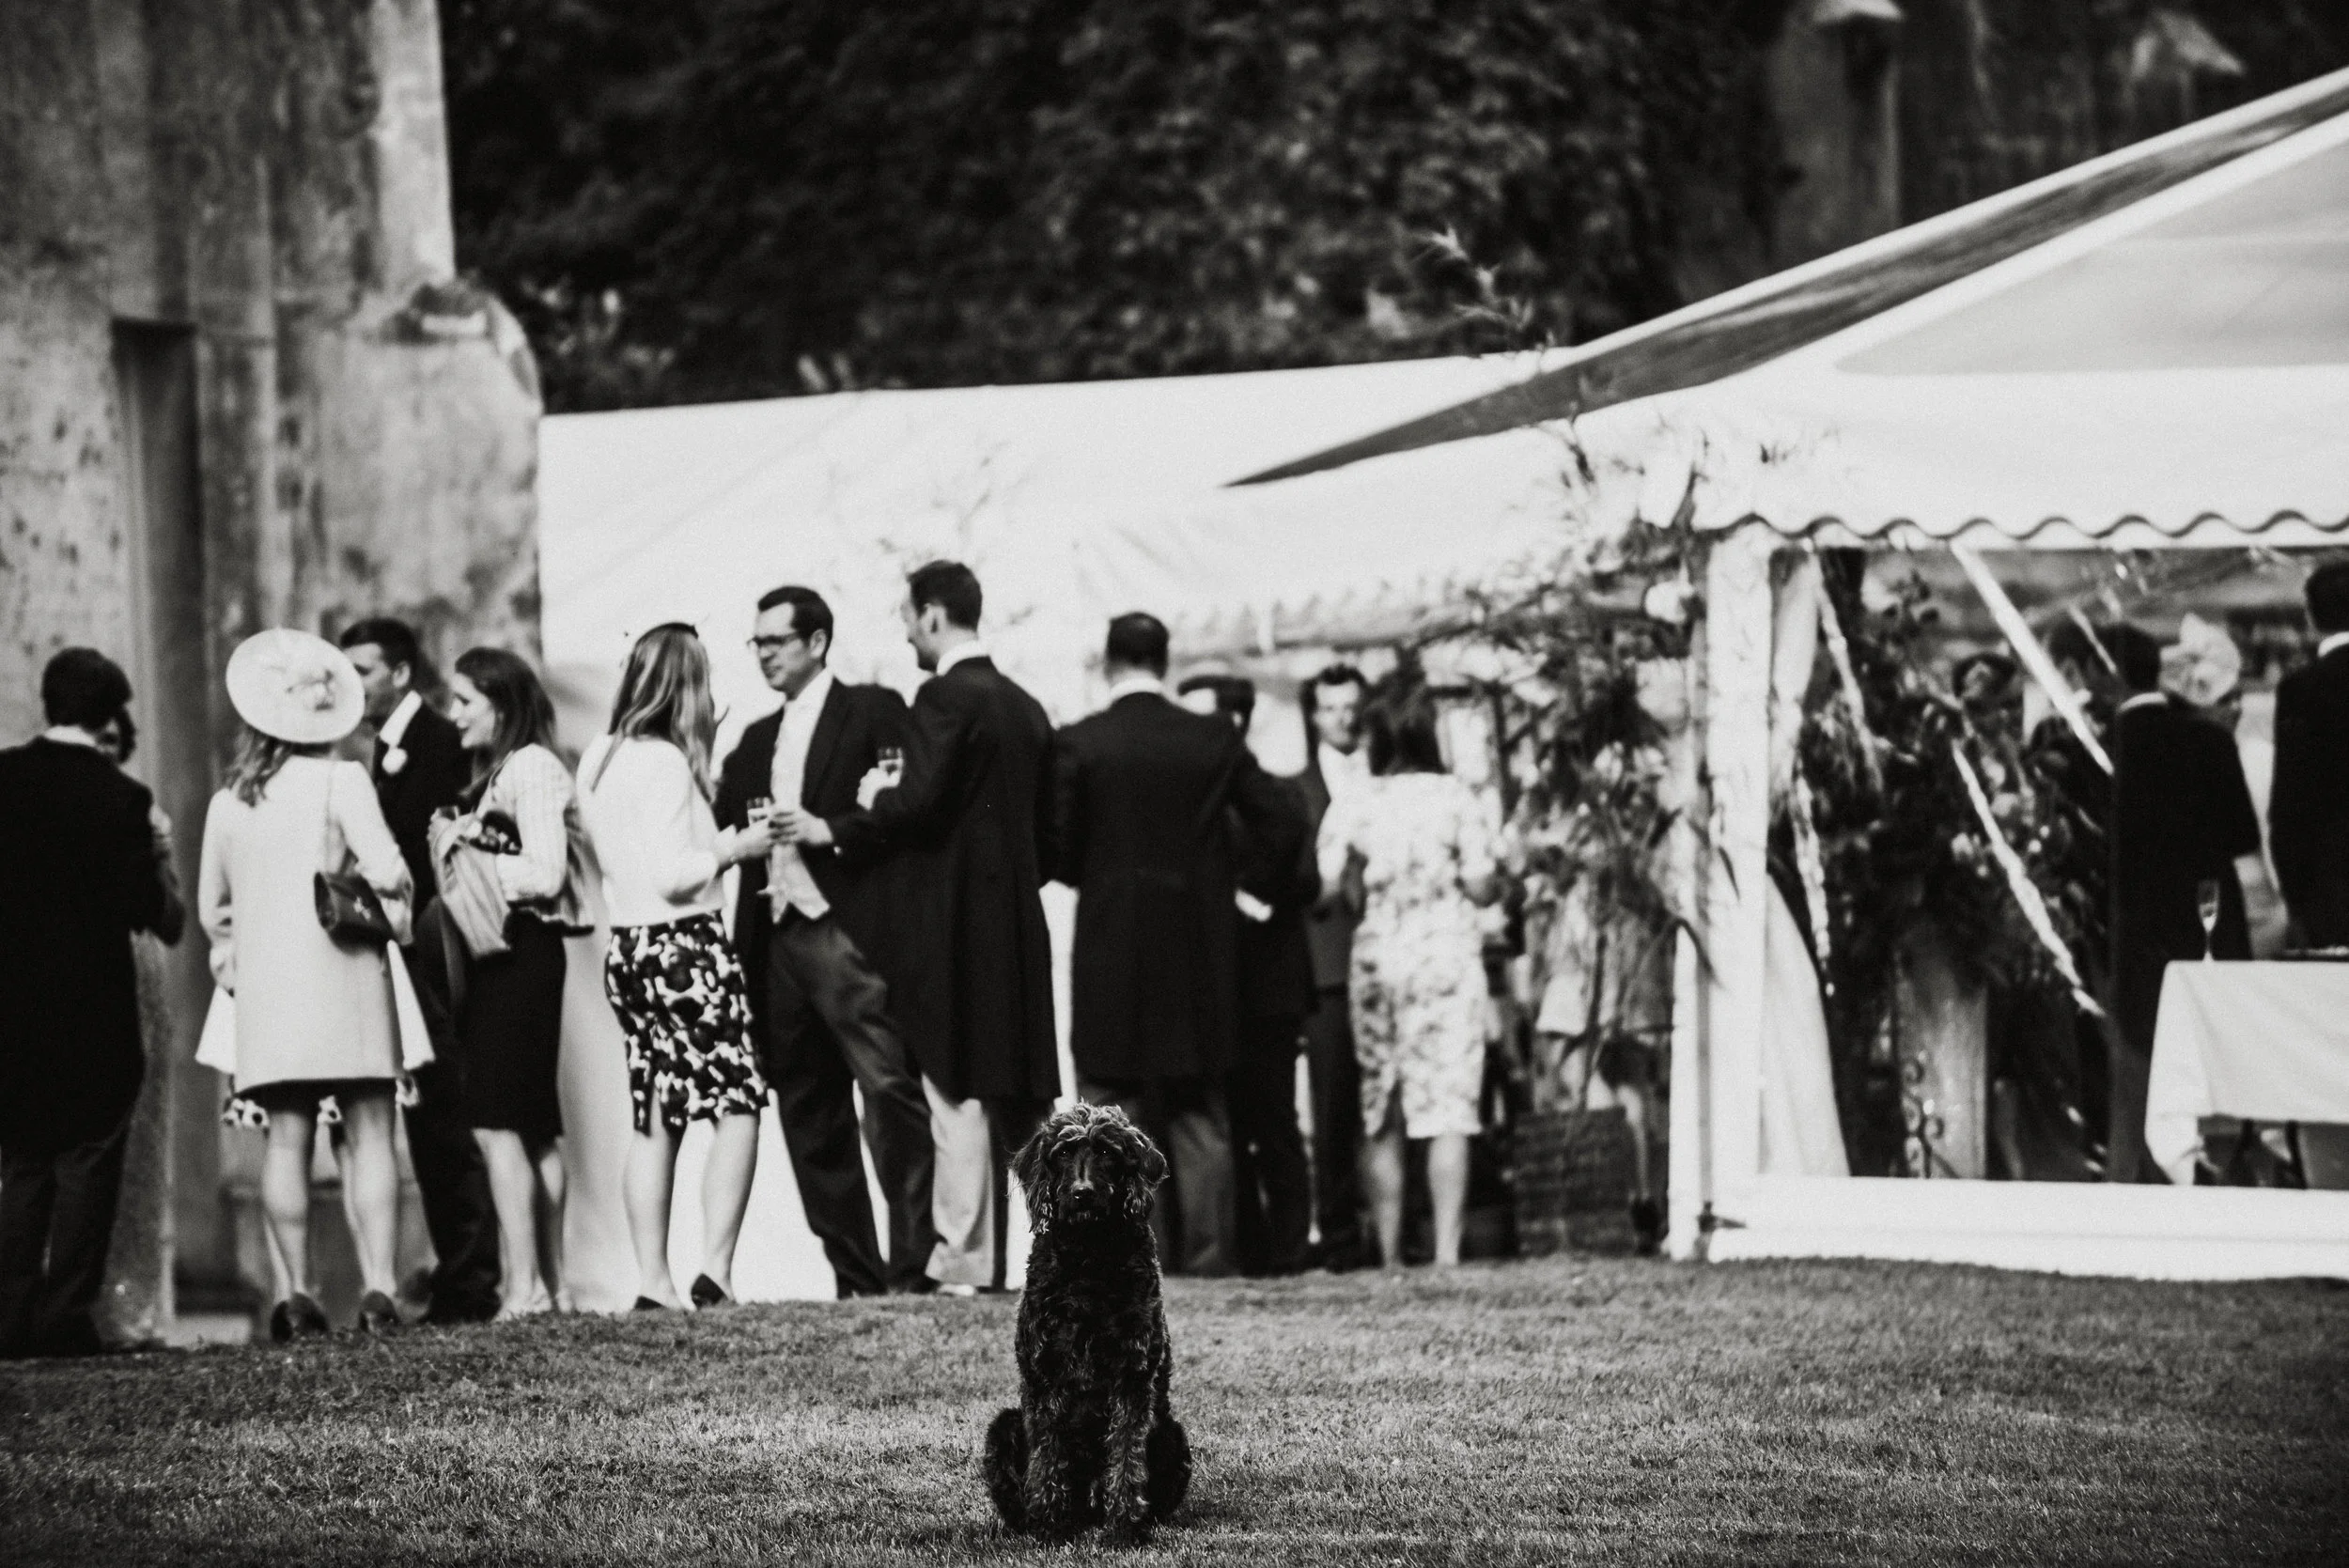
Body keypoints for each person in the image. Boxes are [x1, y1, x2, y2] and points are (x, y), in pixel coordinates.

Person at [1050, 618, 1300, 1278]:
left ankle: (1130, 1258)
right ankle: (1211, 1258)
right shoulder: (1211, 738)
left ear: (1108, 662)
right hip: (1199, 952)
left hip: (1111, 948)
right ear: (1164, 663)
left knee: (1111, 1113)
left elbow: (1057, 847)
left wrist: (1096, 874)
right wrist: (1245, 888)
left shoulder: (1082, 742)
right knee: (1201, 1114)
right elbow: (1282, 818)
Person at [715, 586, 936, 1298]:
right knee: (806, 1108)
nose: (763, 654)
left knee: (888, 1090)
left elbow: (908, 811)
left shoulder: (872, 710)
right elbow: (720, 826)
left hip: (849, 931)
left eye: (775, 641)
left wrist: (829, 829)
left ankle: (913, 1267)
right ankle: (856, 1276)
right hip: (773, 939)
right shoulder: (753, 742)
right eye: (757, 643)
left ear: (816, 642)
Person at [846, 560, 1058, 1294]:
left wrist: (877, 796)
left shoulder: (941, 696)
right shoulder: (1027, 706)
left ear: (933, 614)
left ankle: (965, 1261)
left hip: (952, 924)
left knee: (954, 1083)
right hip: (1019, 926)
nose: (907, 633)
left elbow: (920, 803)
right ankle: (1061, 1247)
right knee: (1025, 1095)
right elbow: (1052, 833)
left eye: (908, 618)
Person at [196, 630, 413, 1340]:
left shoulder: (228, 803)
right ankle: (379, 1286)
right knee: (372, 1132)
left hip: (270, 993)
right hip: (347, 976)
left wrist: (241, 963)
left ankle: (296, 1292)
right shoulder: (343, 781)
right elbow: (388, 872)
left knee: (285, 1142)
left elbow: (213, 911)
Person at [580, 626, 774, 1311]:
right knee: (738, 1103)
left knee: (655, 1112)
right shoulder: (663, 761)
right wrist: (736, 846)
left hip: (629, 949)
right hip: (685, 945)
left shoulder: (600, 754)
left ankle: (652, 1280)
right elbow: (674, 871)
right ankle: (716, 1268)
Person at [0, 650, 182, 1357]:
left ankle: (11, 1316)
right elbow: (151, 912)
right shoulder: (120, 799)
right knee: (87, 1162)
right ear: (107, 714)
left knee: (22, 1164)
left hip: (13, 1007)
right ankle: (65, 1312)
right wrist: (158, 862)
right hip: (92, 1011)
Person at [337, 616, 501, 1325]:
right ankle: (457, 1273)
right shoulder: (380, 748)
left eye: (363, 671)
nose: (351, 685)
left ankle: (472, 1279)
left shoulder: (436, 742)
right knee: (427, 1117)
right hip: (403, 954)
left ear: (400, 673)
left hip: (433, 952)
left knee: (445, 1113)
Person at [1316, 675, 1500, 1268]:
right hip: (1445, 957)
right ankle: (1446, 1252)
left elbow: (1326, 886)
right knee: (1450, 1107)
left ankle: (1391, 1255)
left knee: (1382, 1105)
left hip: (1379, 957)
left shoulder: (1357, 798)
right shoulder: (1456, 796)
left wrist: (1365, 882)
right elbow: (1482, 885)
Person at [443, 646, 579, 1315]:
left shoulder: (531, 767)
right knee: (528, 1127)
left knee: (500, 1124)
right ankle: (552, 1288)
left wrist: (471, 865)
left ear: (500, 706)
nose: (454, 714)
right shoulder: (501, 773)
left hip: (520, 953)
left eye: (464, 700)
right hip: (506, 954)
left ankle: (524, 1288)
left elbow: (547, 872)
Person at [2108, 623, 2264, 1184]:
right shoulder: (2210, 741)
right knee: (2213, 1052)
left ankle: (2148, 1167)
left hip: (2134, 927)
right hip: (2208, 919)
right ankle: (2219, 1161)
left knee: (2142, 1058)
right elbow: (2243, 836)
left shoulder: (2107, 743)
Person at [1178, 673, 1319, 1276]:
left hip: (1268, 986)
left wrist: (1249, 892)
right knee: (1226, 1124)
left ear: (1231, 723)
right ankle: (1248, 1248)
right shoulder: (1194, 795)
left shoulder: (1273, 792)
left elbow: (1304, 875)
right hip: (1218, 987)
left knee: (1275, 1121)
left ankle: (1290, 1249)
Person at [1295, 665, 1371, 1269]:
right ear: (1314, 715)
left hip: (1393, 958)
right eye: (1331, 707)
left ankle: (1400, 1230)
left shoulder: (1390, 782)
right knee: (1334, 1108)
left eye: (1352, 706)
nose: (1343, 717)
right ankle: (1341, 1236)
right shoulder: (1295, 790)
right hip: (1328, 967)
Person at [2269, 562, 2349, 949]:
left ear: (2311, 616)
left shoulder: (2300, 690)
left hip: (2328, 885)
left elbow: (2290, 806)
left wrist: (2295, 901)